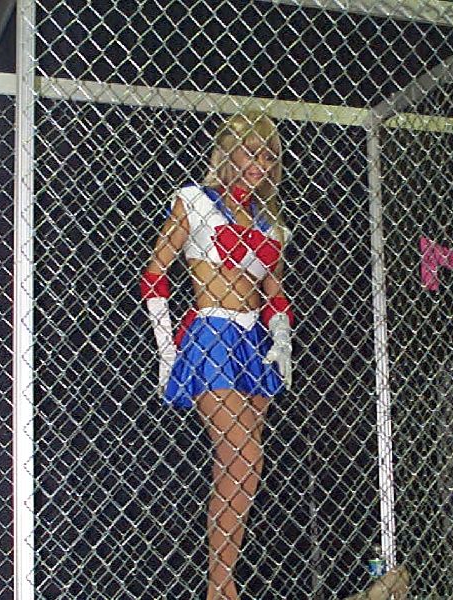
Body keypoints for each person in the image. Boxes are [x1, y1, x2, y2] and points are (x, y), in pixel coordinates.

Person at [140, 111, 293, 600]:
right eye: (251, 151)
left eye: (268, 155)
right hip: (211, 334)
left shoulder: (272, 225)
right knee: (242, 454)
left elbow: (274, 293)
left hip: (254, 342)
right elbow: (154, 275)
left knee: (244, 468)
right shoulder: (193, 202)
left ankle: (224, 585)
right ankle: (219, 587)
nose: (260, 163)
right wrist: (166, 348)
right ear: (227, 152)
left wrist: (282, 340)